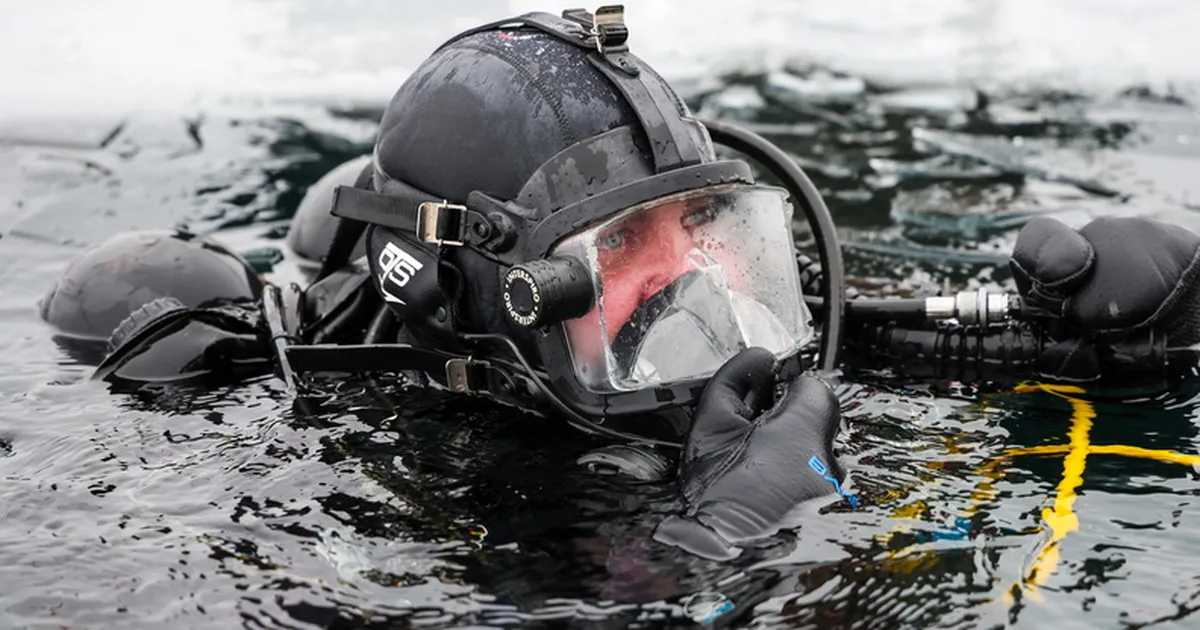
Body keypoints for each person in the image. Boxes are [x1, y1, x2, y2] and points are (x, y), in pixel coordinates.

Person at [35, 6, 1200, 564]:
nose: (701, 278)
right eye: (625, 243)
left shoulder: (705, 319)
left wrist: (1113, 329)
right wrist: (718, 542)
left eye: (705, 223)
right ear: (482, 300)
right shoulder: (335, 474)